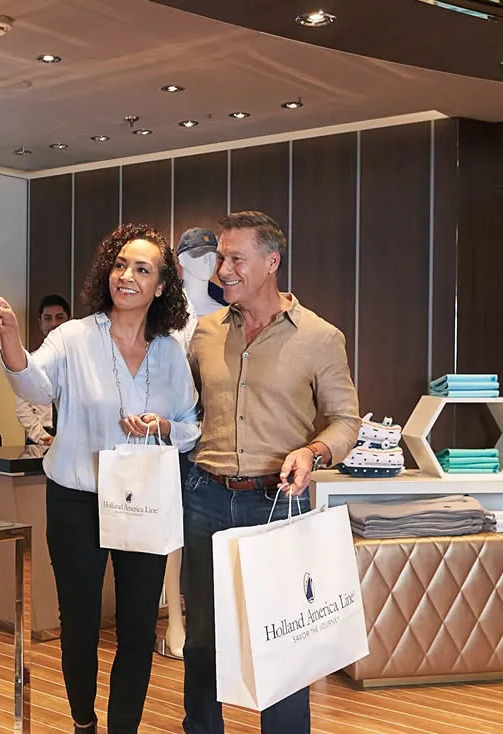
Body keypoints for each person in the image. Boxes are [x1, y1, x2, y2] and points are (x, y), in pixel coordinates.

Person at [0, 223, 199, 734]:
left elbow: (190, 427)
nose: (128, 276)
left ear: (161, 286)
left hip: (142, 501)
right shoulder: (73, 337)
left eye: (143, 269)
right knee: (79, 624)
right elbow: (33, 382)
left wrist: (162, 426)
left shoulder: (169, 352)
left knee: (139, 627)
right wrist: (10, 336)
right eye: (121, 265)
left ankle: (123, 727)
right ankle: (83, 722)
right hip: (77, 501)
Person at [180, 210, 359, 733]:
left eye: (236, 258)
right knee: (204, 639)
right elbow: (190, 411)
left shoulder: (321, 337)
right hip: (205, 496)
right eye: (220, 259)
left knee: (281, 639)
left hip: (277, 503)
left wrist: (315, 452)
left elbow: (347, 420)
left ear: (271, 262)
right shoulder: (205, 333)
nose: (223, 270)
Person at [17, 294, 71, 445]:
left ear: (69, 321)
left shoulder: (81, 361)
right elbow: (22, 408)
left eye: (59, 317)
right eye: (48, 318)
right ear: (40, 323)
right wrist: (43, 437)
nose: (54, 323)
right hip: (40, 439)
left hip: (73, 440)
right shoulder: (31, 362)